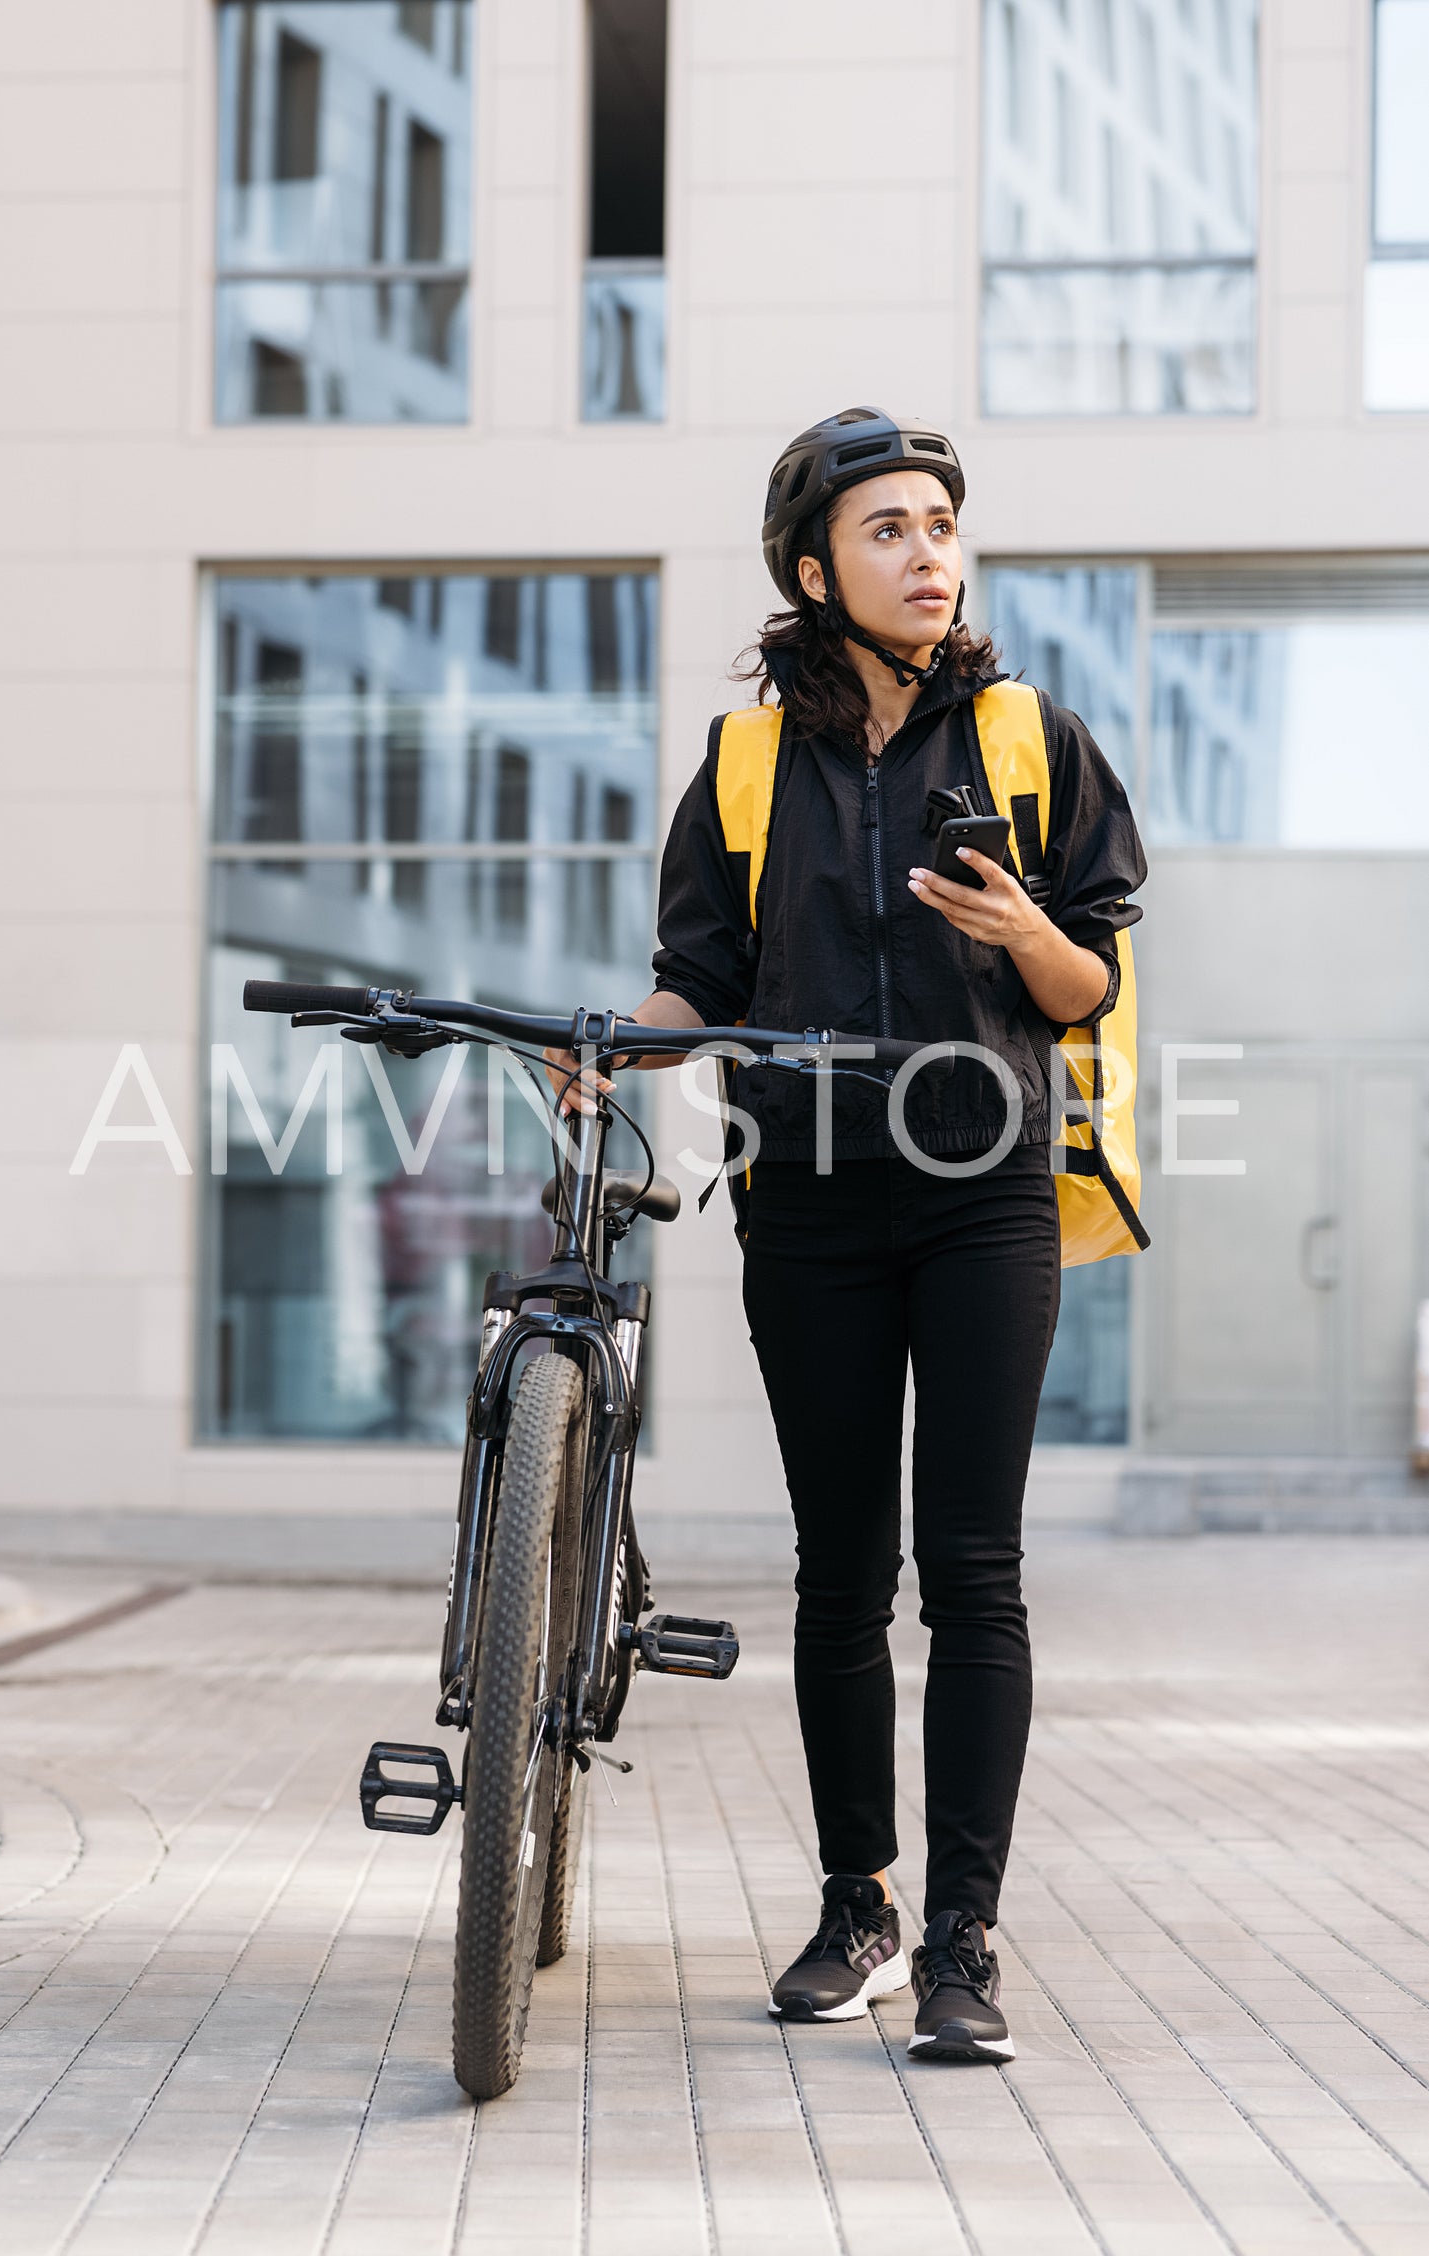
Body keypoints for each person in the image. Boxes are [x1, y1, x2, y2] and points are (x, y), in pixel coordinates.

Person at [546, 408, 1146, 2064]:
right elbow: (702, 987)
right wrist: (610, 1042)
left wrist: (1025, 925)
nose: (928, 555)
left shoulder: (1031, 740)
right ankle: (855, 1903)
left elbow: (1088, 985)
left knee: (973, 1572)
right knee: (836, 1575)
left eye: (942, 525)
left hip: (983, 1192)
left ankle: (963, 1937)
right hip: (803, 1197)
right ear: (815, 568)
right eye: (888, 530)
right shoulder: (746, 766)